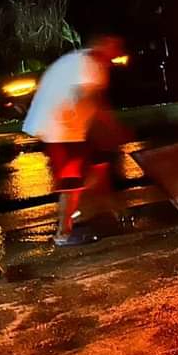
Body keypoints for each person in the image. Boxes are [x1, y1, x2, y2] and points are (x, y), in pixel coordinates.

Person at [23, 35, 130, 247]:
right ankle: (63, 233)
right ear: (103, 45)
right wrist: (110, 127)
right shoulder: (90, 63)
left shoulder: (79, 60)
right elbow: (88, 99)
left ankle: (106, 212)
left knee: (94, 170)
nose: (116, 54)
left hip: (63, 126)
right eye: (114, 48)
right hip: (60, 128)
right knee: (71, 181)